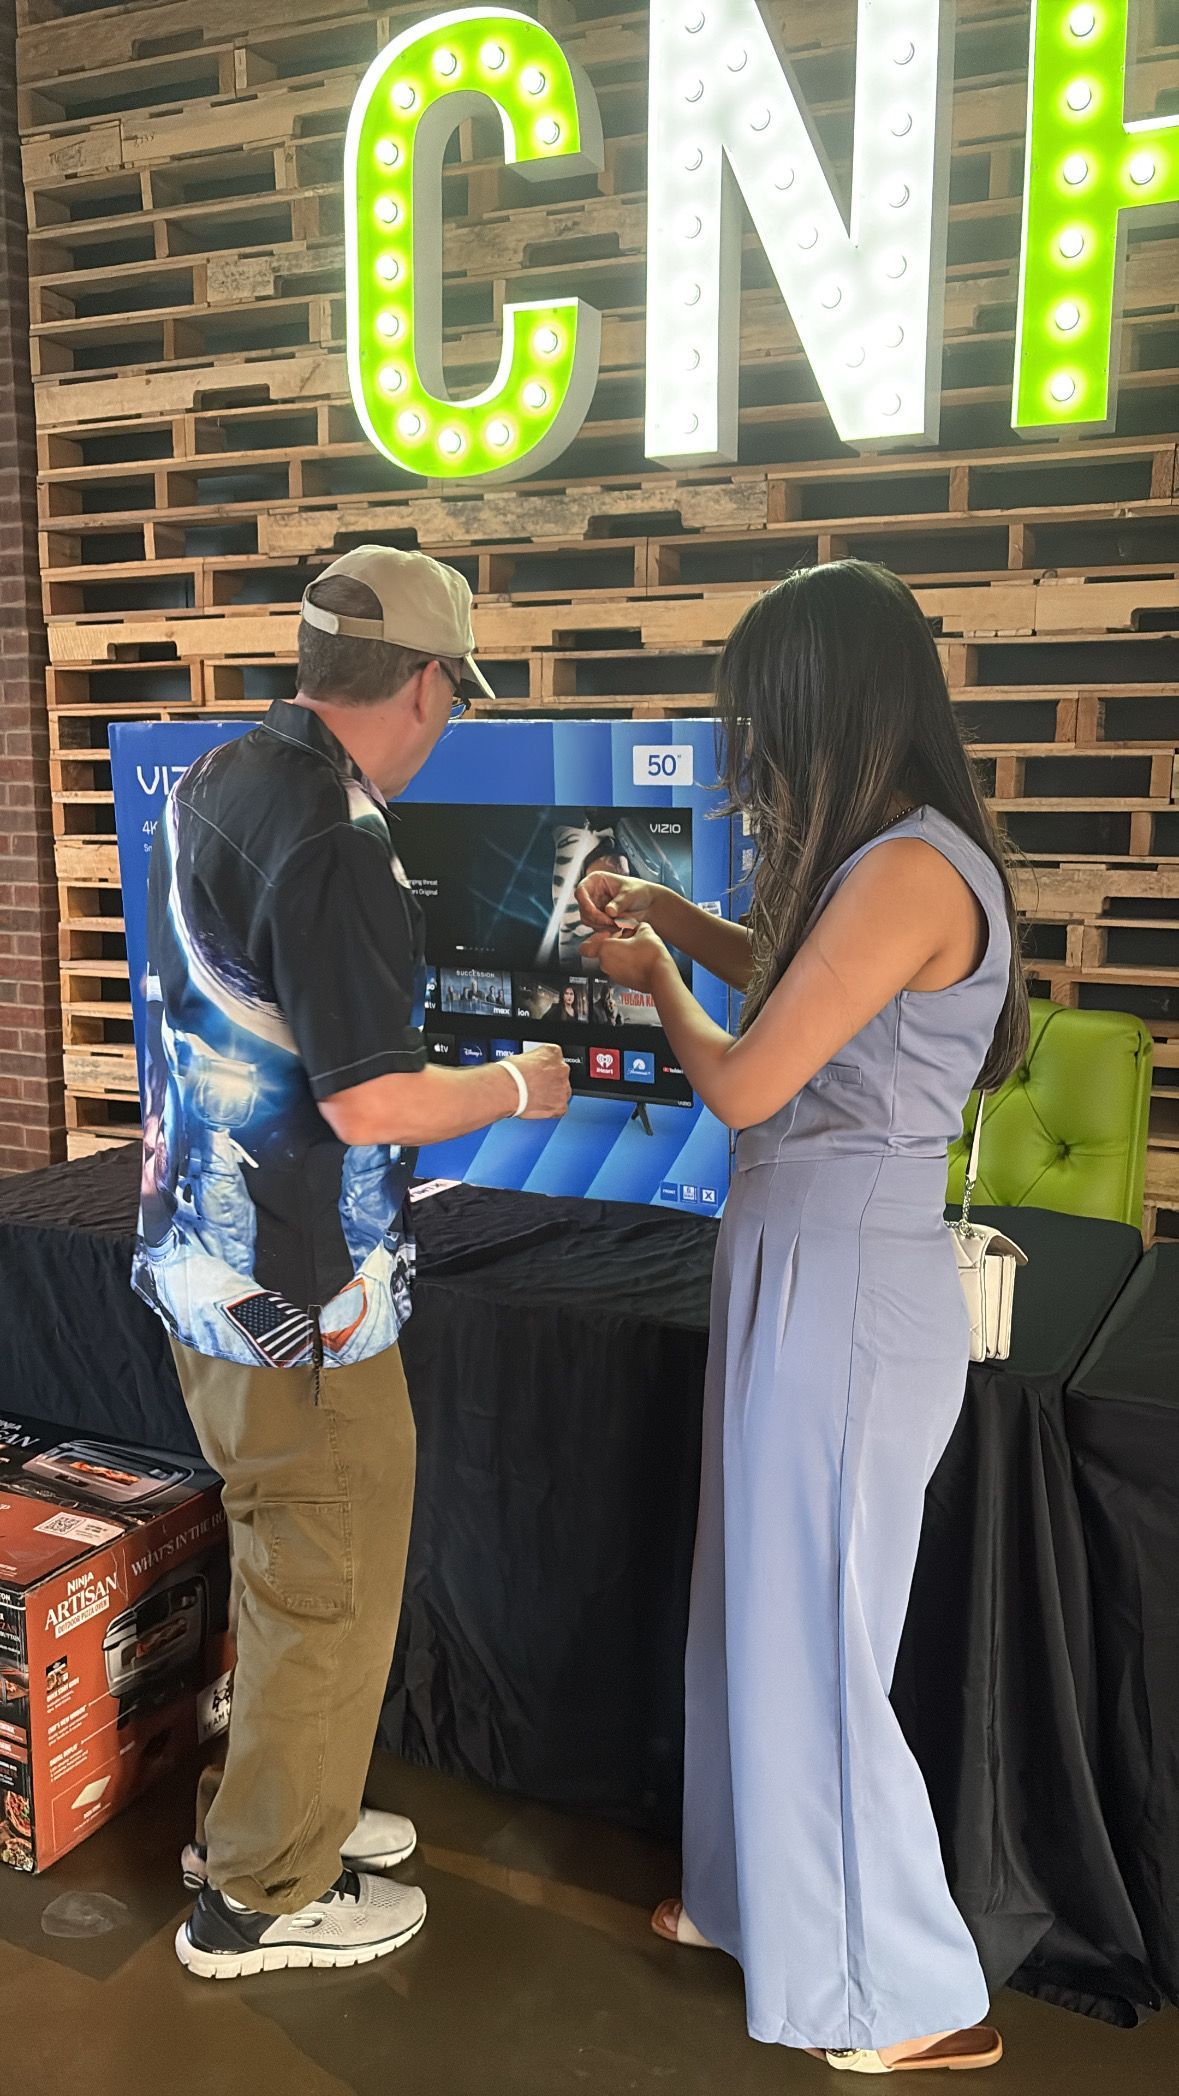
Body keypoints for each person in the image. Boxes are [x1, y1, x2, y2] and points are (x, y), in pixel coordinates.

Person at [577, 561, 1029, 2074]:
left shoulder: (910, 870)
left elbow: (749, 1077)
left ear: (831, 700)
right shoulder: (886, 862)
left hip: (843, 1293)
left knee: (818, 1633)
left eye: (765, 713)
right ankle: (755, 1901)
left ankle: (911, 1996)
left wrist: (655, 975)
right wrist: (674, 917)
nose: (749, 746)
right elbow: (796, 989)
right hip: (797, 1270)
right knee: (756, 1609)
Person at [133, 545, 570, 1980]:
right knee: (326, 1584)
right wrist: (517, 1086)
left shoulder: (220, 778)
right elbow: (371, 1103)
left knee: (283, 1567)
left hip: (204, 1262)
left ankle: (270, 1813)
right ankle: (261, 1893)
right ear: (429, 683)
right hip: (305, 1304)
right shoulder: (338, 836)